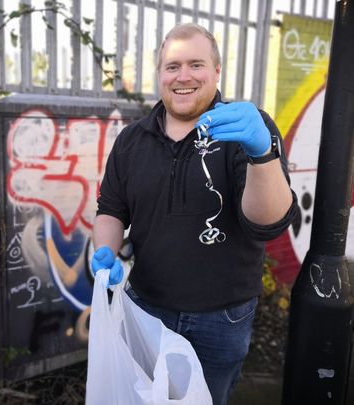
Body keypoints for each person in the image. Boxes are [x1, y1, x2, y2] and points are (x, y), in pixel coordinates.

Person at [91, 23, 298, 405]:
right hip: (145, 310)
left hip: (221, 320)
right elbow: (111, 210)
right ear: (160, 75)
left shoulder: (246, 129)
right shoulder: (131, 140)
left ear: (216, 71)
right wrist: (103, 254)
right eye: (172, 66)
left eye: (196, 64)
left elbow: (267, 222)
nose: (183, 76)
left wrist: (260, 153)